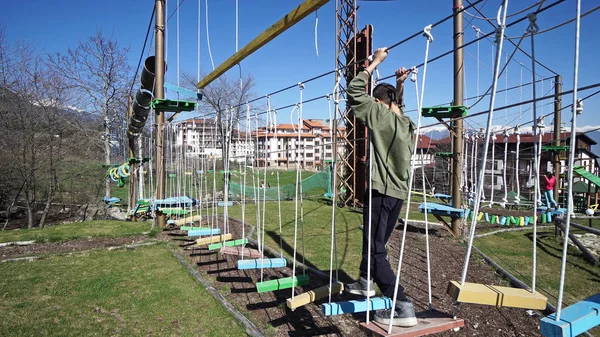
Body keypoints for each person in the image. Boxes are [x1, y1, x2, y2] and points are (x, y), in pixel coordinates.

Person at [344, 47, 417, 327]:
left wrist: (374, 63)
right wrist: (399, 86)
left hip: (380, 191)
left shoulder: (378, 114)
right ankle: (365, 279)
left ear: (379, 102)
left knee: (376, 249)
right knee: (376, 243)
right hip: (398, 195)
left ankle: (401, 304)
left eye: (376, 101)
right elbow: (398, 110)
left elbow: (354, 93)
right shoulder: (407, 125)